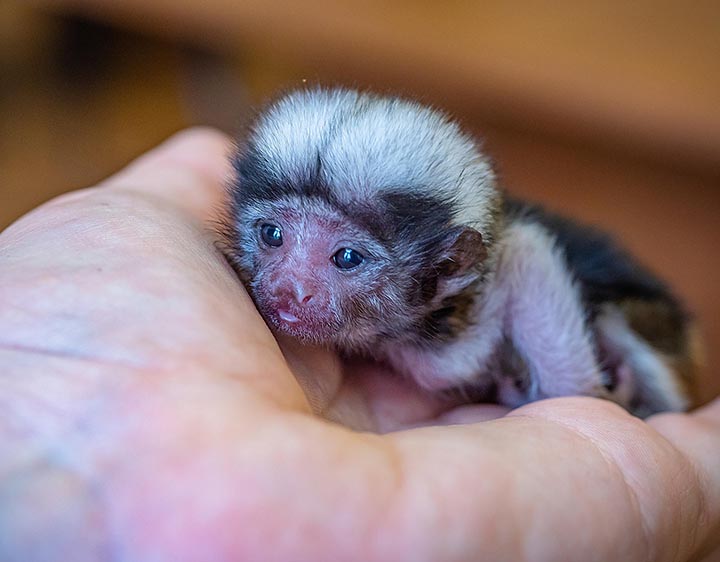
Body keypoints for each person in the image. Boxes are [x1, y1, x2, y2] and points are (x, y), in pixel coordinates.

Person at [1, 128, 718, 562]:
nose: (290, 286)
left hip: (624, 315)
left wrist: (573, 392)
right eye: (272, 235)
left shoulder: (456, 331)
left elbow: (525, 250)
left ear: (445, 270)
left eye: (347, 258)